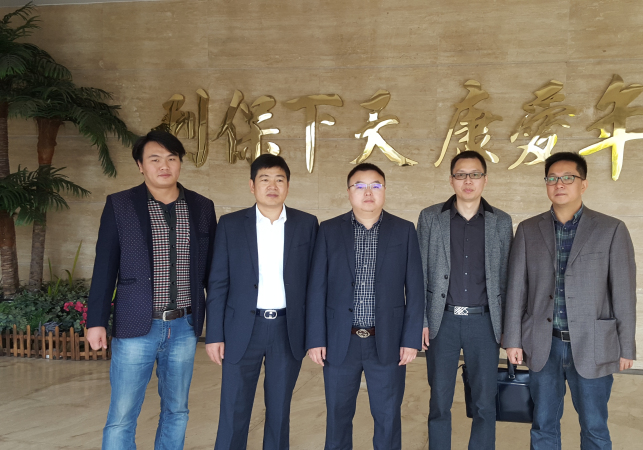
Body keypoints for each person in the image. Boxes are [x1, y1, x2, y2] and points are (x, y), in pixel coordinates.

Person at [86, 130, 217, 450]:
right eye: (155, 159)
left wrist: (218, 327)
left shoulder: (202, 207)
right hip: (135, 326)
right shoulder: (120, 205)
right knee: (122, 415)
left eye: (172, 158)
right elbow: (104, 267)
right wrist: (96, 321)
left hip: (184, 326)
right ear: (140, 165)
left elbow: (213, 274)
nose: (164, 166)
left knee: (177, 411)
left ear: (180, 163)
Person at [503, 152, 637, 449]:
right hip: (543, 343)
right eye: (552, 178)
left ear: (583, 184)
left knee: (594, 426)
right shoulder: (528, 230)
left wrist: (626, 346)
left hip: (593, 344)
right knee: (543, 425)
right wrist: (512, 340)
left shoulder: (611, 229)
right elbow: (516, 290)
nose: (559, 184)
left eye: (567, 178)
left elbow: (624, 293)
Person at [306, 163, 424, 450]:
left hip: (387, 342)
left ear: (385, 190)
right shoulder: (329, 230)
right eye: (360, 186)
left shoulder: (404, 230)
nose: (368, 192)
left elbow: (415, 289)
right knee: (337, 417)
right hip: (339, 341)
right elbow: (316, 288)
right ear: (349, 192)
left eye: (375, 185)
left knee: (387, 418)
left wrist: (410, 340)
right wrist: (316, 338)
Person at [205, 154, 318, 450]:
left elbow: (316, 284)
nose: (272, 186)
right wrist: (214, 334)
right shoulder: (230, 224)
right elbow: (218, 283)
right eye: (265, 179)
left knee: (279, 411)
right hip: (242, 328)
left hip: (287, 329)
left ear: (288, 185)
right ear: (252, 185)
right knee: (233, 409)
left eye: (279, 179)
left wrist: (315, 335)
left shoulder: (307, 224)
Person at [416, 151, 512, 449]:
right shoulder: (430, 217)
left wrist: (509, 328)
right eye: (461, 175)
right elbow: (418, 273)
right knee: (439, 401)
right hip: (441, 321)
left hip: (485, 323)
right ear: (451, 180)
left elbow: (507, 278)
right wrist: (421, 321)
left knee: (485, 403)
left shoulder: (501, 222)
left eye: (474, 174)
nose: (467, 181)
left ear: (485, 180)